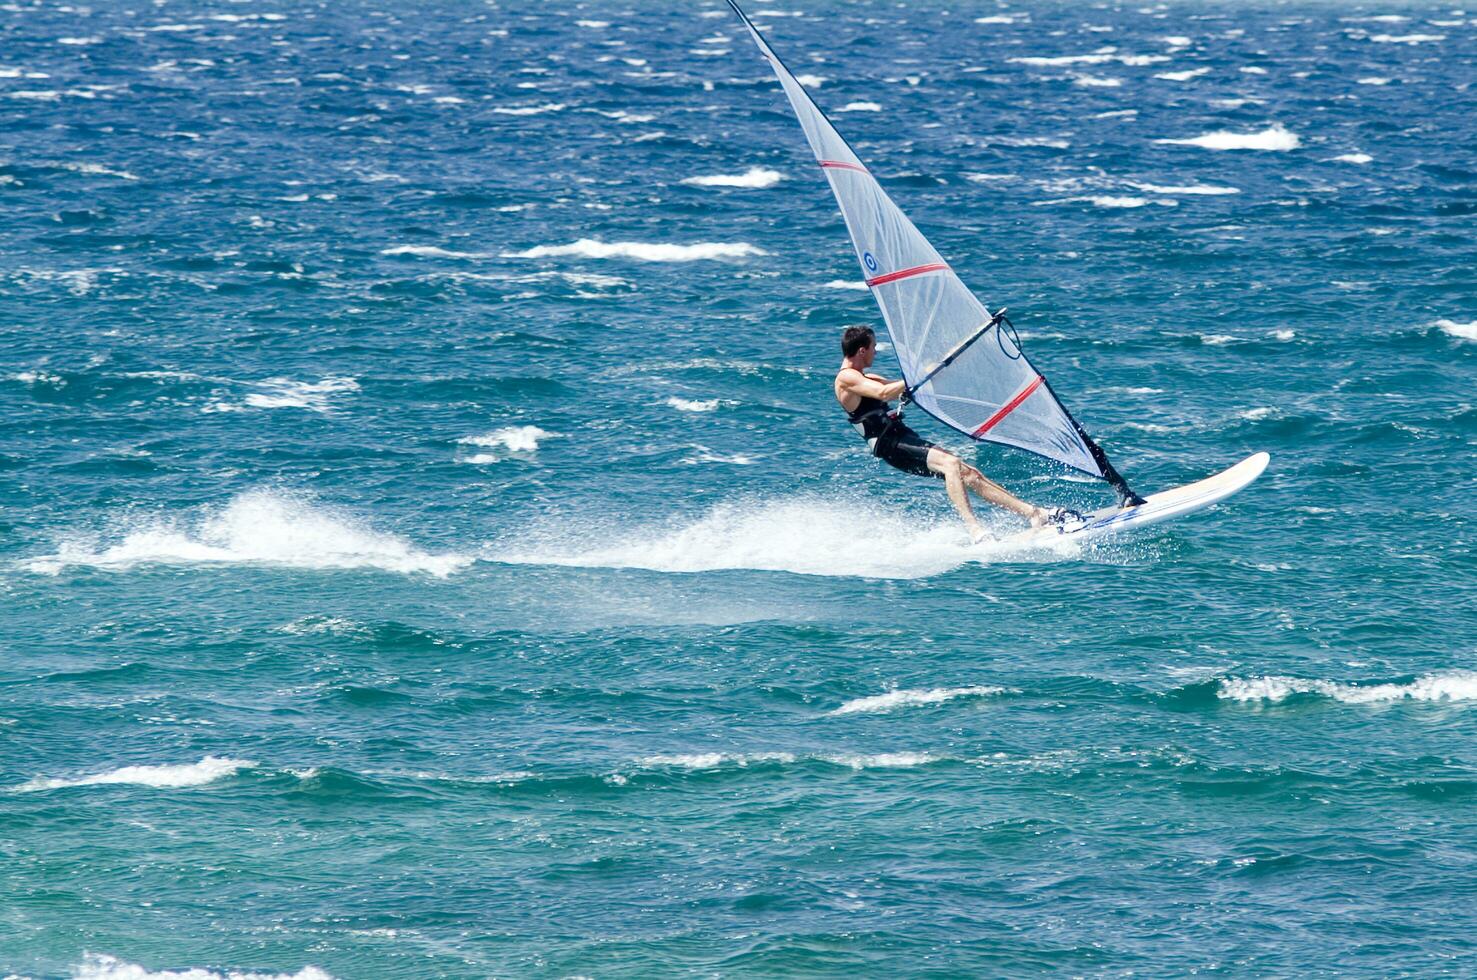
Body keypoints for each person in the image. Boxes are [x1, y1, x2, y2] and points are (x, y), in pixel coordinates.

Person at [834, 325, 1076, 542]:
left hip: (901, 436)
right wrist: (912, 378)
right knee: (951, 464)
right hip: (890, 445)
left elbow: (899, 388)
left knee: (968, 473)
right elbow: (885, 392)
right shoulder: (846, 379)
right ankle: (976, 532)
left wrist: (935, 368)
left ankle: (1035, 514)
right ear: (862, 350)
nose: (876, 351)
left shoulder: (866, 377)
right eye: (874, 347)